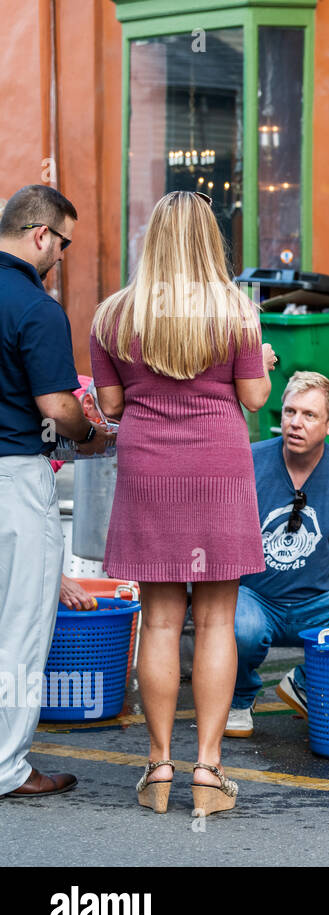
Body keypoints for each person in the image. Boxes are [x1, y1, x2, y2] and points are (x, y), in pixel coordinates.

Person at [90, 191, 276, 817]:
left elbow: (111, 407)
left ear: (153, 239)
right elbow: (253, 398)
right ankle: (208, 771)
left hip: (149, 469)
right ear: (209, 242)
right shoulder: (236, 312)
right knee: (218, 620)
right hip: (218, 468)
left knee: (162, 619)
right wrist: (264, 362)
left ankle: (159, 766)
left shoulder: (114, 315)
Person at [0, 184, 109, 798]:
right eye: (62, 243)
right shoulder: (35, 306)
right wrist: (89, 431)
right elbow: (56, 407)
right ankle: (7, 768)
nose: (62, 256)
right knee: (18, 629)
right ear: (41, 234)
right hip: (14, 476)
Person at [224, 371, 329, 736]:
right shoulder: (246, 462)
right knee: (241, 626)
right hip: (254, 597)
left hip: (316, 603)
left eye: (309, 415)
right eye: (290, 412)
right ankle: (239, 699)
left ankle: (303, 682)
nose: (295, 423)